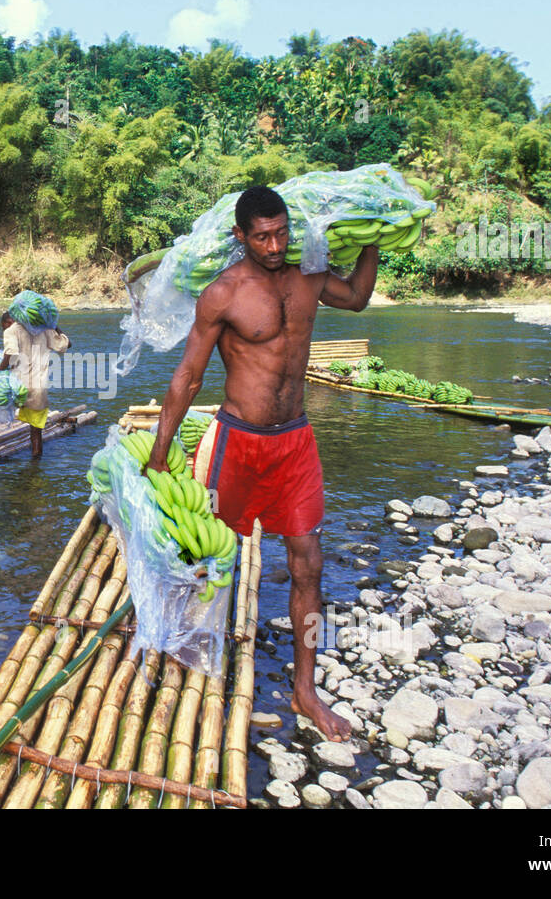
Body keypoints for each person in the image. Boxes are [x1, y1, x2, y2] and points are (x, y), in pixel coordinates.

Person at [145, 185, 379, 743]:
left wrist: (374, 238)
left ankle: (305, 690)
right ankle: (188, 657)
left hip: (295, 440)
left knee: (308, 562)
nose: (274, 246)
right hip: (237, 443)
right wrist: (159, 452)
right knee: (204, 557)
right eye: (262, 236)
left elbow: (359, 298)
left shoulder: (309, 277)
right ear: (240, 236)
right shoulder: (223, 293)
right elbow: (189, 377)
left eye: (281, 233)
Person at [1, 306, 70, 459]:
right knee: (36, 430)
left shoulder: (11, 330)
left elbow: (10, 353)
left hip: (17, 387)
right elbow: (67, 345)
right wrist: (53, 326)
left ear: (10, 321)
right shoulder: (44, 331)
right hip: (38, 388)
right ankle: (36, 463)